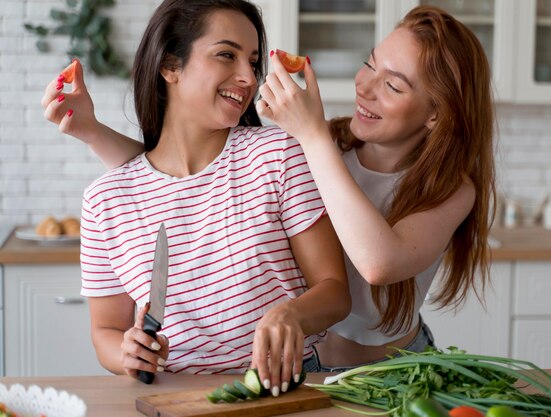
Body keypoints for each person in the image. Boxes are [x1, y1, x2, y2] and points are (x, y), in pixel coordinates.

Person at [42, 5, 495, 372]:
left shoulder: (448, 189)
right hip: (314, 365)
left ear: (436, 114)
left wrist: (310, 134)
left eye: (393, 85)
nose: (365, 87)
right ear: (169, 66)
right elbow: (176, 177)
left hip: (394, 369)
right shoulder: (326, 143)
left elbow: (378, 263)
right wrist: (92, 132)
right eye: (368, 65)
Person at [40, 0, 351, 394]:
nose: (248, 77)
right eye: (226, 55)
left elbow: (335, 291)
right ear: (170, 65)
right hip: (172, 393)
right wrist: (127, 354)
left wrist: (291, 314)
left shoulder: (278, 155)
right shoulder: (106, 200)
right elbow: (105, 332)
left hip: (286, 385)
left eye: (253, 62)